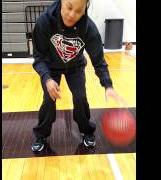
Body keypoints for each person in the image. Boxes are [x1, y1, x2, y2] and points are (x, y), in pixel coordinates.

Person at [31, 0, 123, 152]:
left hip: (75, 67)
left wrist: (108, 85)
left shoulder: (89, 29)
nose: (72, 15)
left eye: (79, 11)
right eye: (69, 7)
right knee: (49, 99)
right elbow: (38, 58)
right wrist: (47, 78)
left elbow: (99, 61)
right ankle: (41, 134)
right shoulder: (44, 22)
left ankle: (87, 131)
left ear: (85, 8)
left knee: (80, 98)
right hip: (51, 67)